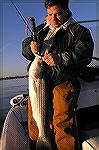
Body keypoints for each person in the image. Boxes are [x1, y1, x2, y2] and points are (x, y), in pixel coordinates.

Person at [22, 0, 94, 149]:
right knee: (34, 122)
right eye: (49, 14)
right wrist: (31, 48)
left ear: (66, 11)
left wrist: (61, 58)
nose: (53, 19)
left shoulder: (79, 31)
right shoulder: (41, 30)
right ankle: (38, 146)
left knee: (62, 124)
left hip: (63, 80)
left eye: (58, 14)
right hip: (41, 80)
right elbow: (25, 50)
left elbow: (85, 54)